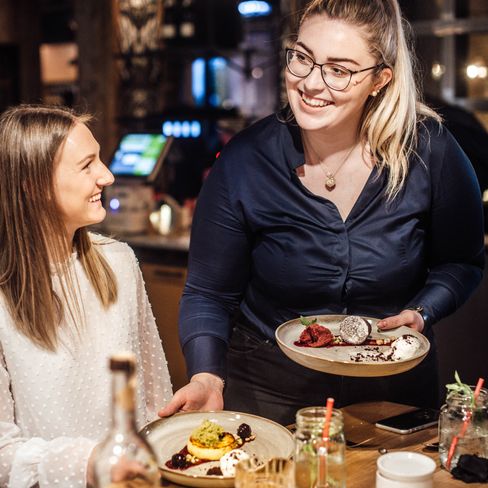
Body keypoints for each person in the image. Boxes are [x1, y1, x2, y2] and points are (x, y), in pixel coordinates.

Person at [159, 0, 484, 426]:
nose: (311, 83)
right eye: (302, 59)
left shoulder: (431, 152)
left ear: (380, 80)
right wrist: (207, 375)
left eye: (339, 69)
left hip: (393, 391)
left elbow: (460, 261)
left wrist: (423, 310)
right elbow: (208, 293)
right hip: (270, 393)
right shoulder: (245, 160)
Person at [0, 105, 172, 487]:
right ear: (33, 185)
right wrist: (91, 463)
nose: (107, 176)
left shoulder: (120, 264)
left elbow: (153, 399)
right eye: (87, 165)